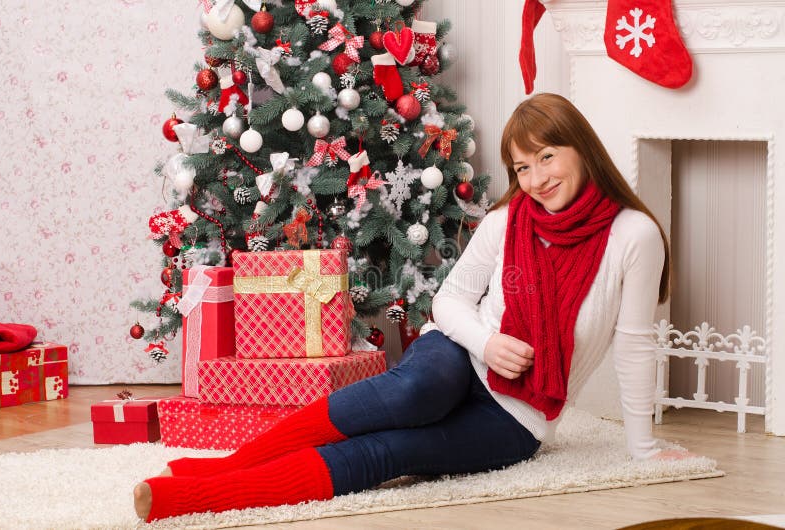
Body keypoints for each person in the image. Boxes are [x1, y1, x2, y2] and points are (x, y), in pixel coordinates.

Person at [133, 93, 686, 522]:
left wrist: (641, 449)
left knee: (388, 454)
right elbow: (448, 303)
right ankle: (229, 465)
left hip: (517, 416)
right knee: (413, 391)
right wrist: (487, 343)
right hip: (461, 355)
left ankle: (195, 496)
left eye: (547, 157)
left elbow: (635, 343)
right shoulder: (507, 221)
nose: (536, 180)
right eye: (522, 168)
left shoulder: (632, 236)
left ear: (581, 149)